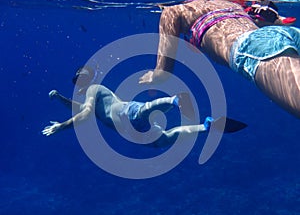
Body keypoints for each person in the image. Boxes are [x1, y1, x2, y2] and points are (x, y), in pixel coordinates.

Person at [139, 0, 300, 118]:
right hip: (284, 35)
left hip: (252, 48)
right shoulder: (226, 1)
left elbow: (163, 72)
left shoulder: (173, 10)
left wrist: (154, 77)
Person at [42, 67, 247, 147]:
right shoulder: (90, 95)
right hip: (130, 129)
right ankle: (206, 126)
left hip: (125, 115)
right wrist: (59, 98)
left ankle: (174, 100)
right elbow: (80, 108)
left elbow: (85, 114)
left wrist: (61, 126)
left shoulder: (93, 89)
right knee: (163, 138)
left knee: (142, 112)